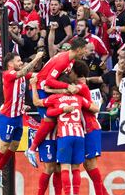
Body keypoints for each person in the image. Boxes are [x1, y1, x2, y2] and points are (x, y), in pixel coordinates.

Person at [0, 51, 43, 189]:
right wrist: (36, 58)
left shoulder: (21, 75)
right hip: (7, 116)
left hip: (18, 116)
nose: (21, 63)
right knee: (3, 145)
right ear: (10, 63)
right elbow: (23, 73)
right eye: (18, 60)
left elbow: (36, 75)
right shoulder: (8, 74)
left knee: (14, 146)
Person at [25, 37, 87, 168]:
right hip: (41, 88)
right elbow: (48, 81)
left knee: (54, 118)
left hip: (48, 89)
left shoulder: (70, 59)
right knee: (49, 119)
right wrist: (67, 86)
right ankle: (31, 149)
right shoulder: (63, 60)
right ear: (79, 49)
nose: (86, 52)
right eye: (85, 49)